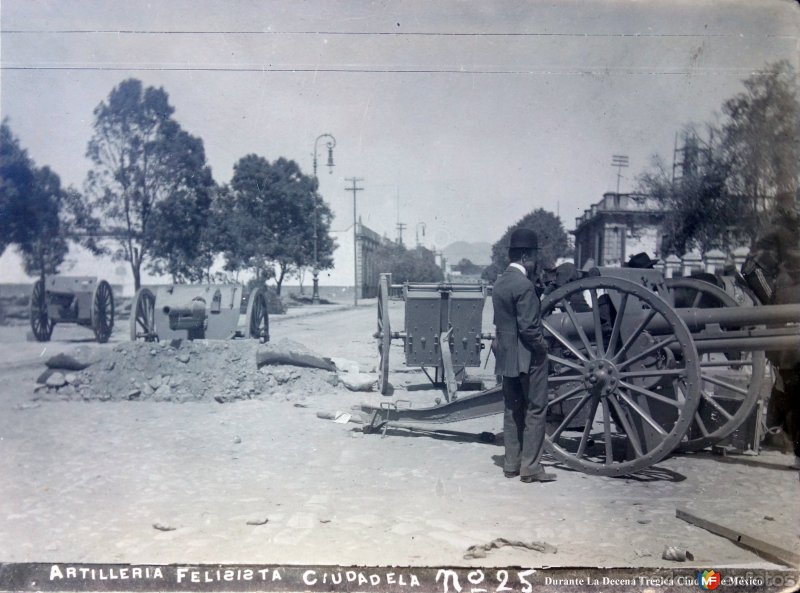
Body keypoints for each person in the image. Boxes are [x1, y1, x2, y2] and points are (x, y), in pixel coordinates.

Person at [491, 228, 555, 483]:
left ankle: (511, 464)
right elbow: (529, 328)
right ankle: (531, 467)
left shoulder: (500, 283)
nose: (536, 261)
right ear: (526, 256)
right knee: (536, 410)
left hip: (506, 357)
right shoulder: (525, 285)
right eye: (535, 256)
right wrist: (543, 348)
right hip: (529, 357)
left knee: (511, 409)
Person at [742, 192, 800, 469]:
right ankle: (782, 435)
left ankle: (780, 434)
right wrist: (773, 303)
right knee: (790, 377)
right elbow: (750, 269)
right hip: (789, 309)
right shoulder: (777, 231)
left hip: (788, 308)